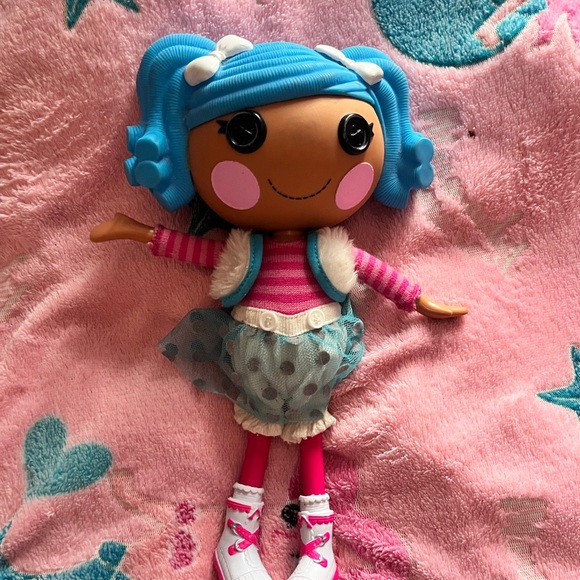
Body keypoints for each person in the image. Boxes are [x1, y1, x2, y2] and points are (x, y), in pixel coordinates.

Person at [91, 34, 467, 580]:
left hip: (312, 365)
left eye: (352, 136)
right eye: (245, 135)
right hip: (258, 360)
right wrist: (139, 232)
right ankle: (237, 541)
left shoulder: (330, 249)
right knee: (261, 438)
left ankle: (318, 546)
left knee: (307, 439)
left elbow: (379, 274)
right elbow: (198, 251)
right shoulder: (248, 250)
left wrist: (420, 300)